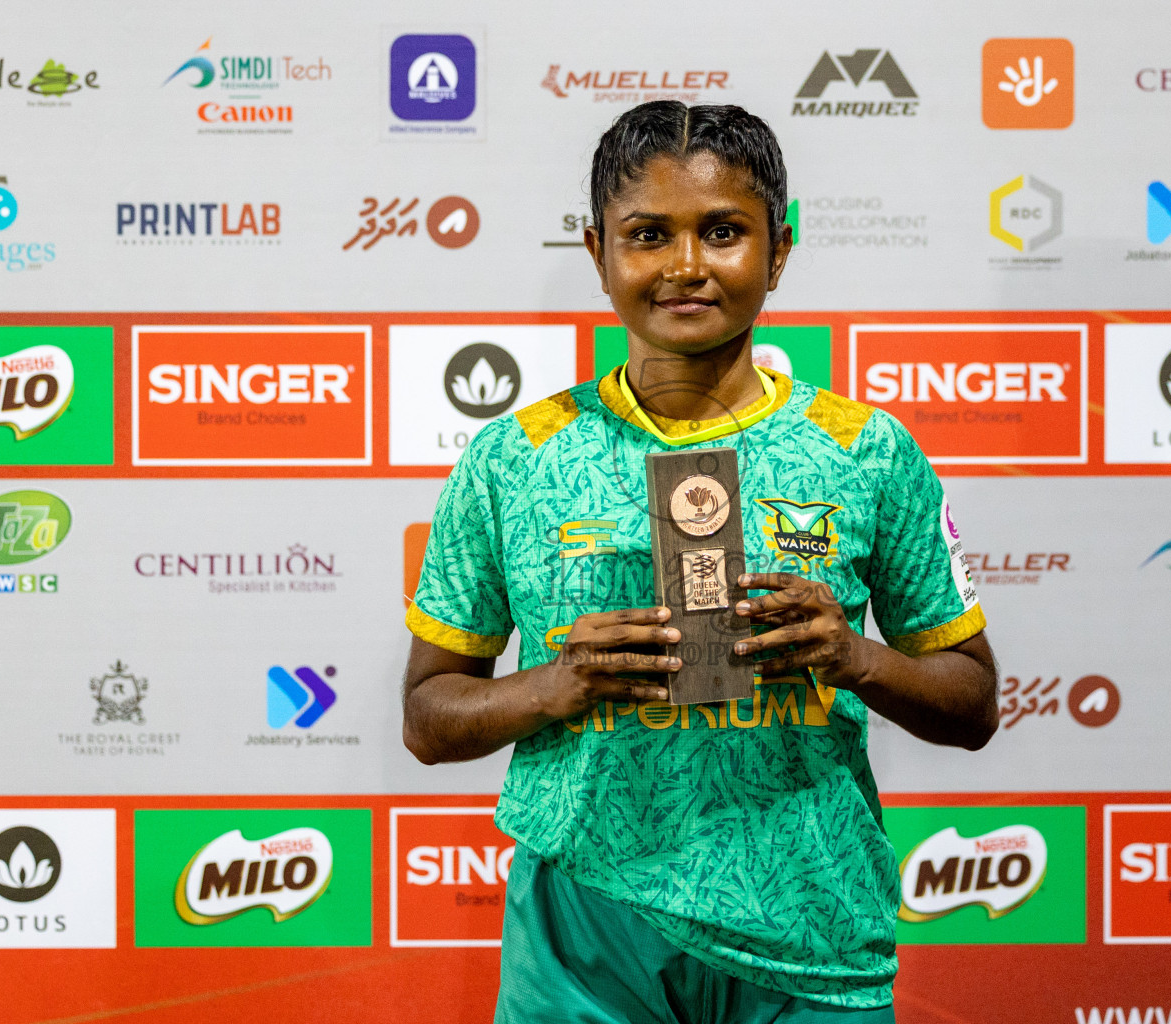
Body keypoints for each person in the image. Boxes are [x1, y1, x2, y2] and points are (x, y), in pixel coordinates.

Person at [402, 101, 999, 1023]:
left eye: (723, 232)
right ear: (599, 253)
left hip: (811, 921)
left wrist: (856, 659)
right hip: (587, 929)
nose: (686, 266)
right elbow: (428, 717)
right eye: (649, 235)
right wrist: (556, 687)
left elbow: (973, 705)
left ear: (781, 250)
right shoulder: (514, 457)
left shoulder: (866, 450)